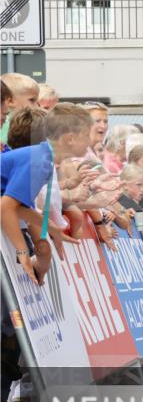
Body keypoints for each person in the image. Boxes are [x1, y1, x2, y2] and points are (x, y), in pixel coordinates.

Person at [1, 103, 92, 284]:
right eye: (87, 136)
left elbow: (18, 207)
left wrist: (49, 228)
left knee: (45, 253)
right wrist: (22, 251)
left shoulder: (44, 159)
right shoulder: (39, 161)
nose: (90, 142)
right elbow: (5, 208)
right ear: (70, 138)